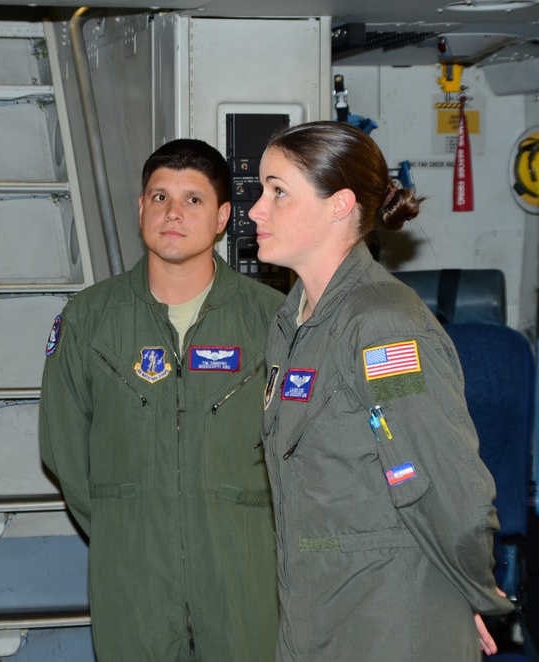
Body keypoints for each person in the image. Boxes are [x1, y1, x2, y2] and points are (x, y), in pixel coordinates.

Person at [250, 120, 513, 661]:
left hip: (392, 619)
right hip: (318, 613)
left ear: (339, 205)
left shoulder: (383, 325)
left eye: (278, 191)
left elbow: (445, 486)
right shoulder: (291, 325)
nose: (257, 209)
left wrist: (471, 592)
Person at [39, 138, 284, 660]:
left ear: (221, 217)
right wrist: (125, 518)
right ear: (140, 209)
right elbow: (63, 447)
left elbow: (298, 447)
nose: (173, 213)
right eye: (159, 197)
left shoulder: (272, 320)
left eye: (193, 199)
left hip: (243, 565)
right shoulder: (90, 319)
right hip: (132, 567)